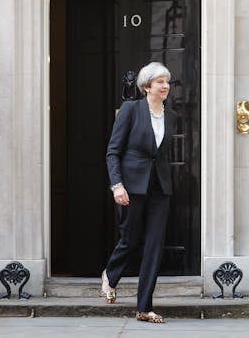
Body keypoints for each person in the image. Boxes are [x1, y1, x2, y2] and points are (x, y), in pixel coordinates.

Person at [101, 62, 176, 324]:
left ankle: (144, 307)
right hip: (131, 185)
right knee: (130, 238)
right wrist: (117, 185)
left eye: (167, 81)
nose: (165, 85)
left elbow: (162, 155)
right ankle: (111, 274)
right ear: (146, 87)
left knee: (154, 246)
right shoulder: (131, 110)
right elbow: (113, 151)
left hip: (160, 188)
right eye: (160, 82)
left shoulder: (171, 116)